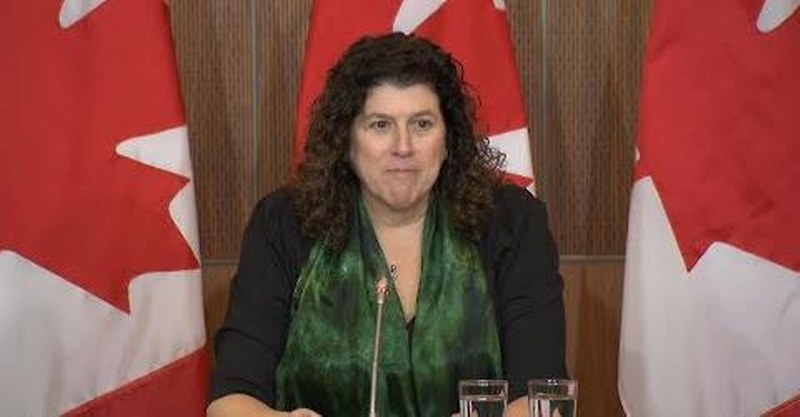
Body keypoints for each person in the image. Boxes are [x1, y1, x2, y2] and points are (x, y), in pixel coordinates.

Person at [207, 32, 567, 417]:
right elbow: (231, 399)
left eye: (422, 124)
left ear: (448, 138)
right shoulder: (284, 223)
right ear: (346, 140)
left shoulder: (509, 221)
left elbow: (541, 396)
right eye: (380, 125)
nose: (403, 147)